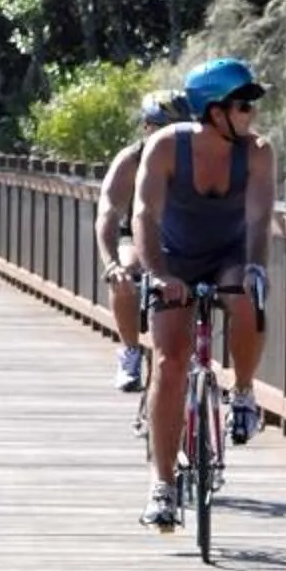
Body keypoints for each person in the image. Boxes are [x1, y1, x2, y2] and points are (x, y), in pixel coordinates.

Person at [131, 58, 275, 531]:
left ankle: (245, 392)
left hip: (228, 253)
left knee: (246, 297)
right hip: (174, 257)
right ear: (214, 111)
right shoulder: (167, 147)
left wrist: (255, 267)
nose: (251, 114)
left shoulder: (257, 153)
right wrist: (156, 273)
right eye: (242, 105)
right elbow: (144, 215)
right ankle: (163, 485)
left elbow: (257, 220)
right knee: (171, 364)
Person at [96, 92, 177, 393]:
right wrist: (111, 263)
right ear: (146, 127)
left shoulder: (196, 157)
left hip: (184, 236)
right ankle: (130, 351)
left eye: (178, 127)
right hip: (138, 232)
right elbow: (107, 212)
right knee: (127, 272)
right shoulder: (132, 159)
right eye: (162, 126)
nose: (170, 135)